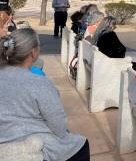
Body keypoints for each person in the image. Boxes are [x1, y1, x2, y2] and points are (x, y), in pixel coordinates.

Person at [0, 28, 89, 160]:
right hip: (34, 145)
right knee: (81, 144)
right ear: (33, 53)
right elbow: (59, 127)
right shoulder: (39, 83)